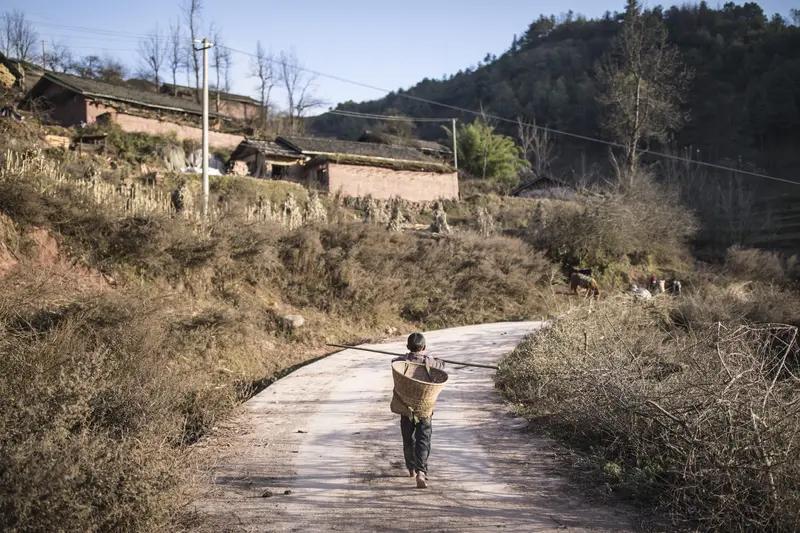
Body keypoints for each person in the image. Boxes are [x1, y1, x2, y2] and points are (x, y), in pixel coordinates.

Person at [392, 332, 445, 489]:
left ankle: (410, 468)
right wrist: (433, 358)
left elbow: (393, 361)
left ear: (408, 347)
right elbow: (442, 365)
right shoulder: (431, 362)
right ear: (424, 347)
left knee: (408, 439)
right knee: (423, 440)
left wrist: (406, 356)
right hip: (424, 410)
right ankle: (421, 471)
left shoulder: (401, 362)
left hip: (405, 409)